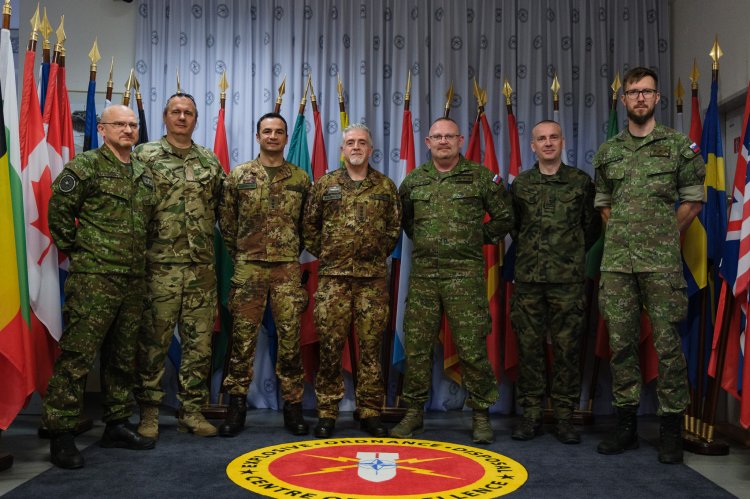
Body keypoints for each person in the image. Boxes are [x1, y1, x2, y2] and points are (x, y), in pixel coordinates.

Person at [593, 67, 704, 463]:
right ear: (623, 99)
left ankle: (671, 429)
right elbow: (604, 205)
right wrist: (627, 237)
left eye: (647, 91)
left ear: (657, 98)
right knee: (621, 344)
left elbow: (693, 201)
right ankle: (626, 426)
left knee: (668, 344)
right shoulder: (608, 151)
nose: (640, 97)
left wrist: (661, 236)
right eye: (633, 91)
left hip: (661, 264)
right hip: (617, 264)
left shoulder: (678, 147)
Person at [42, 105, 157, 469]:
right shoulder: (86, 166)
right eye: (119, 124)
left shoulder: (143, 171)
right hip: (95, 277)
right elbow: (59, 211)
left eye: (132, 124)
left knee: (122, 356)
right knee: (78, 356)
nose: (128, 129)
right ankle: (61, 432)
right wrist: (81, 250)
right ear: (103, 129)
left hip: (133, 278)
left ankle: (117, 423)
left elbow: (149, 222)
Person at [390, 117, 514, 444]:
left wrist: (474, 238)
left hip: (465, 276)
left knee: (472, 347)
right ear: (428, 142)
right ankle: (414, 412)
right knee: (417, 348)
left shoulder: (481, 178)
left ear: (460, 140)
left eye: (449, 136)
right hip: (424, 277)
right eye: (437, 136)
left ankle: (480, 413)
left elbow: (505, 217)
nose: (443, 141)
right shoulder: (414, 182)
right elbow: (407, 222)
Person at [134, 92, 225, 438]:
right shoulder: (144, 156)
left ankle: (192, 411)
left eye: (188, 113)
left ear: (196, 120)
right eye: (176, 111)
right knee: (153, 343)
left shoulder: (209, 161)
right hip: (159, 266)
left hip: (200, 269)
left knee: (199, 345)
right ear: (165, 116)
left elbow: (220, 207)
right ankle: (149, 414)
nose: (182, 117)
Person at [303, 123, 401, 438]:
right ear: (342, 149)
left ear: (370, 149)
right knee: (330, 347)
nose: (356, 147)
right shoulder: (325, 184)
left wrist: (373, 255)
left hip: (372, 281)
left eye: (361, 142)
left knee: (371, 348)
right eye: (350, 143)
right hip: (333, 280)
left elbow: (393, 229)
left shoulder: (385, 186)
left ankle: (370, 411)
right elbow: (309, 227)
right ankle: (327, 411)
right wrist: (331, 254)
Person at [217, 112, 311, 437]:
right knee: (242, 341)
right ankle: (236, 406)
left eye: (279, 132)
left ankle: (293, 407)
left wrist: (288, 251)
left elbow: (307, 225)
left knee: (290, 340)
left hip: (287, 268)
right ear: (258, 136)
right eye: (267, 131)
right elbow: (227, 223)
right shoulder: (239, 175)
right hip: (249, 267)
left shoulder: (300, 178)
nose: (273, 136)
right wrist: (244, 253)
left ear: (285, 138)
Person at [509, 120, 600, 444]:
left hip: (567, 281)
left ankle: (564, 417)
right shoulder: (521, 184)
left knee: (567, 349)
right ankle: (531, 415)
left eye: (553, 137)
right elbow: (515, 228)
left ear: (562, 142)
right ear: (532, 146)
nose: (548, 143)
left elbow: (591, 228)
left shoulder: (581, 183)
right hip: (529, 281)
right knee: (529, 348)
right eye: (541, 139)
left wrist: (567, 255)